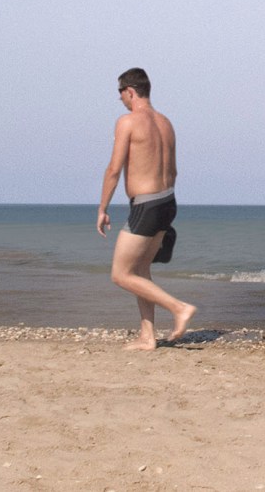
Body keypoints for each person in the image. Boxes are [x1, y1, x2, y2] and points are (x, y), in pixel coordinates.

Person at [97, 68, 195, 350]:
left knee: (121, 274)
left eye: (121, 95)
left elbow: (114, 169)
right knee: (140, 270)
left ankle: (178, 308)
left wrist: (103, 208)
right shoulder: (165, 123)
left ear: (130, 91)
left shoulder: (127, 122)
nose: (121, 101)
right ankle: (147, 336)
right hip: (167, 201)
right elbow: (174, 171)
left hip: (146, 205)